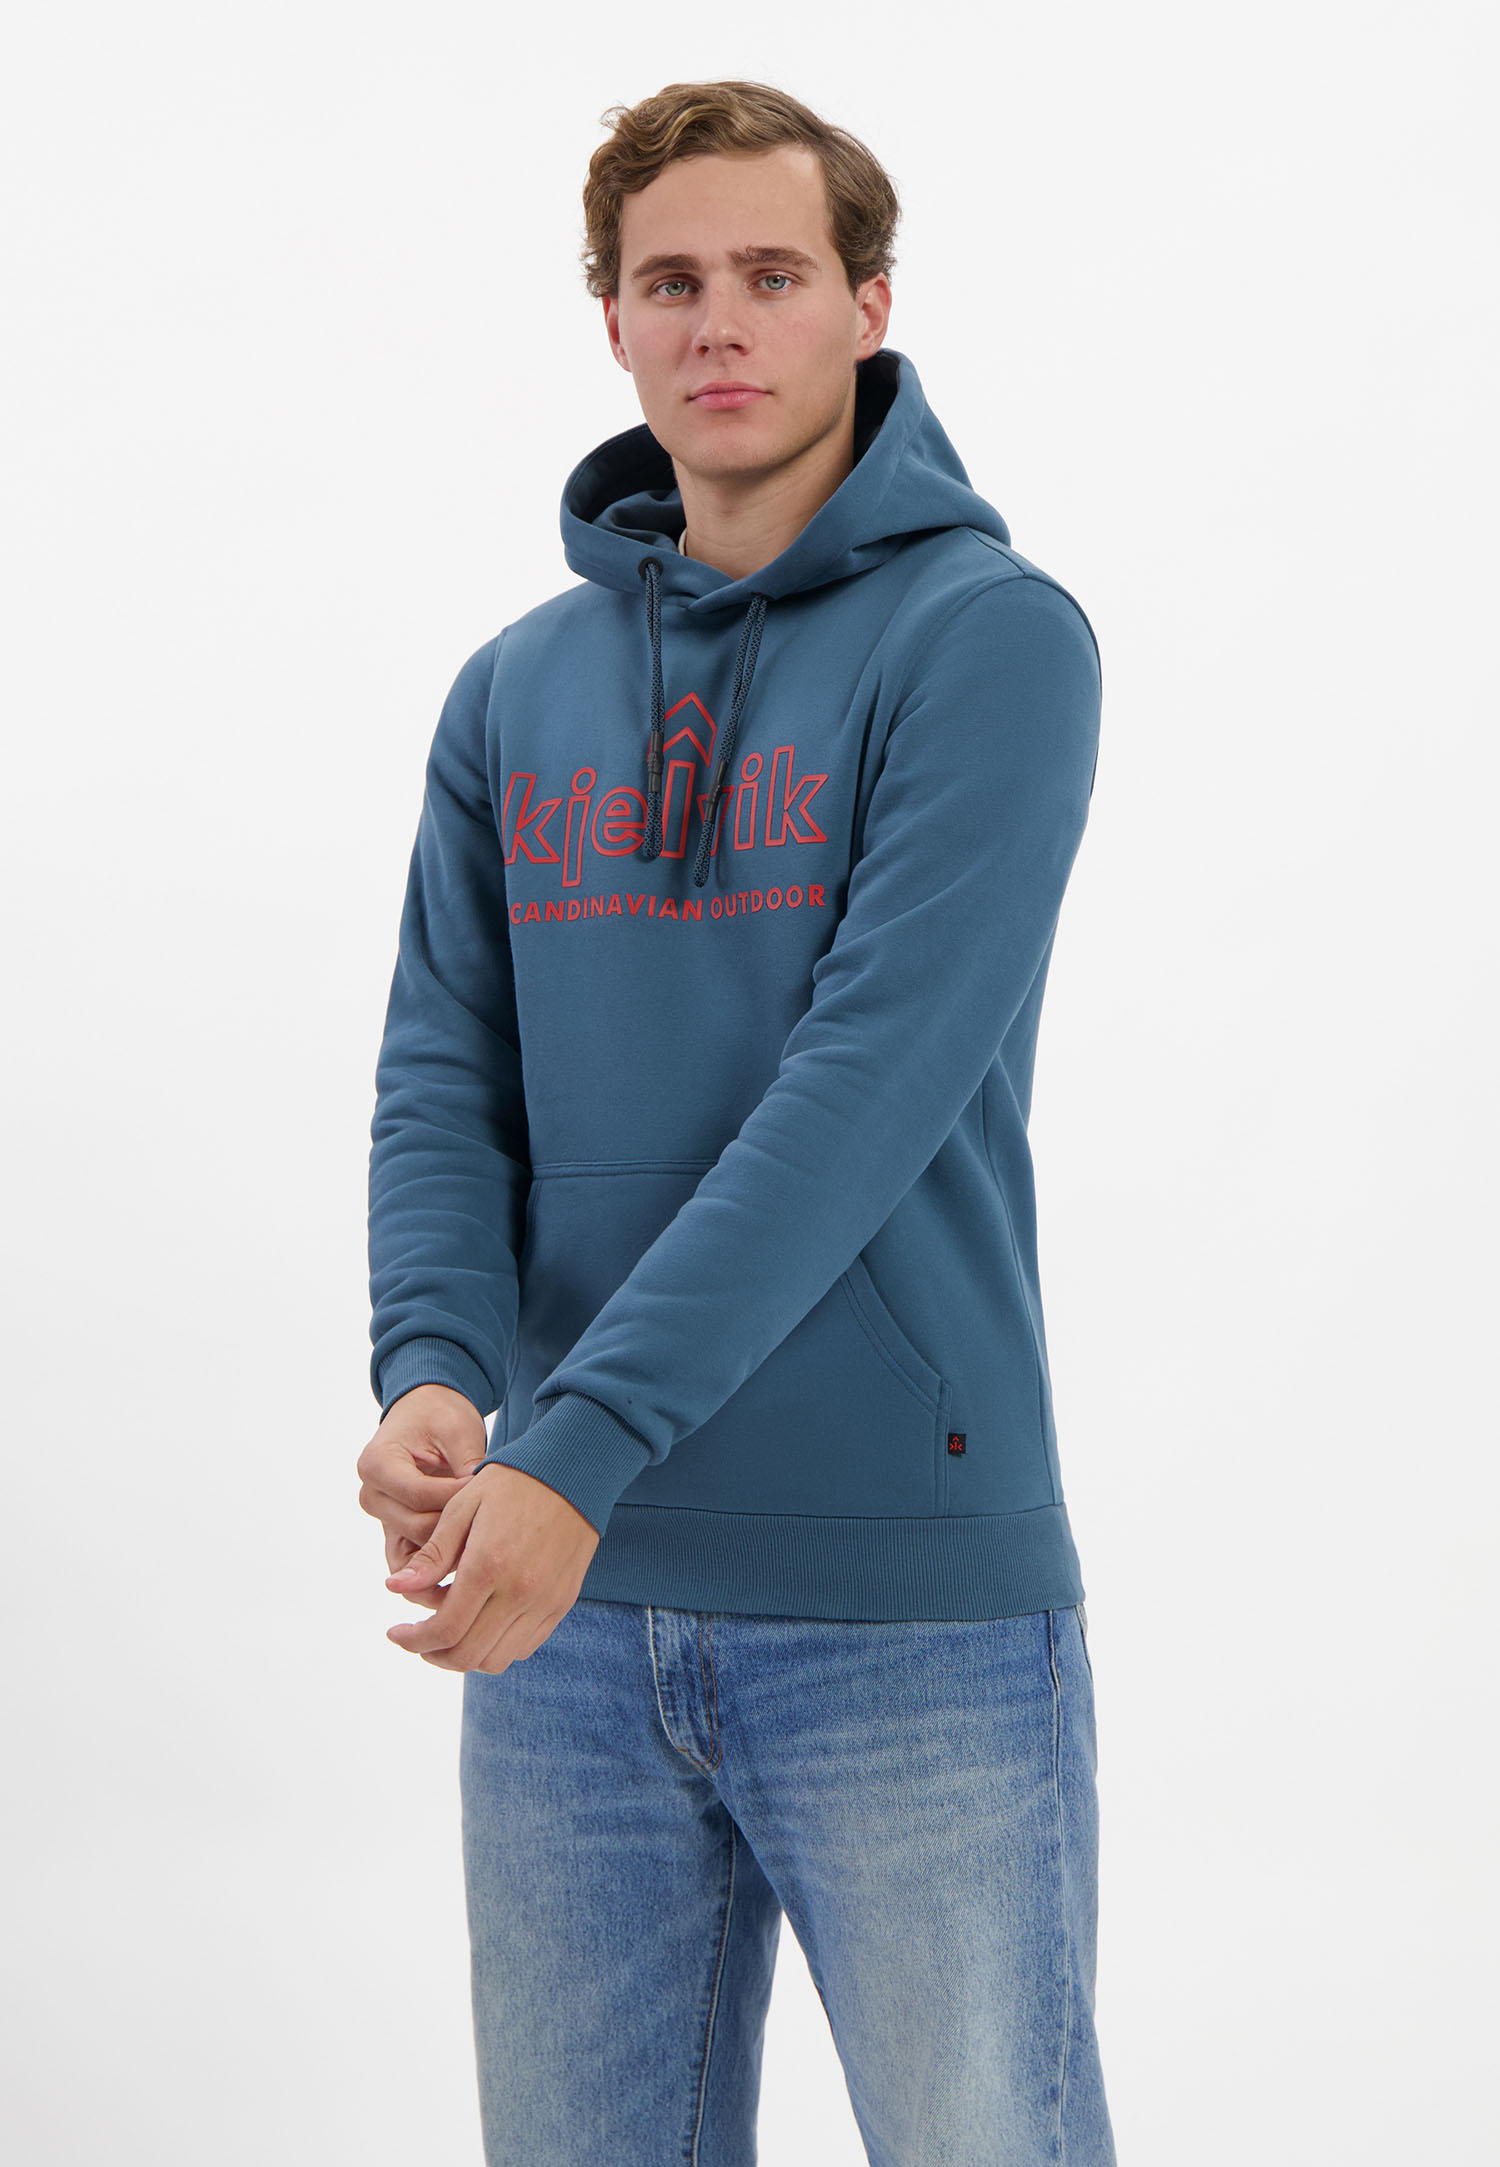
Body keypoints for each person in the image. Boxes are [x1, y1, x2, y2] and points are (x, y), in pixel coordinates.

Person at [357, 77, 1117, 2167]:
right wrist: (435, 1369)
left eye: (773, 274)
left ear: (869, 304)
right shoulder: (517, 689)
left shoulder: (991, 643)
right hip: (557, 1612)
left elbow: (862, 1093)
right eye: (671, 280)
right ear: (610, 318)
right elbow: (447, 1074)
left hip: (905, 1611)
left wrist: (575, 1443)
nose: (720, 322)